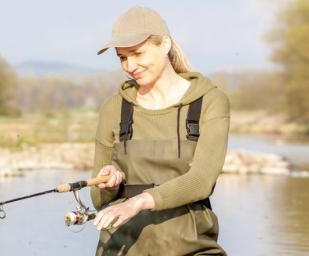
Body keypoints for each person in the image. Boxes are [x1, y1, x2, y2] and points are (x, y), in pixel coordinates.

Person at [89, 6, 229, 255]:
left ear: (164, 45)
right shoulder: (113, 108)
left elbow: (201, 181)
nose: (130, 65)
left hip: (191, 248)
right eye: (122, 57)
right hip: (121, 248)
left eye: (137, 53)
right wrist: (107, 183)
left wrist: (139, 202)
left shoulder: (210, 101)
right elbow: (99, 202)